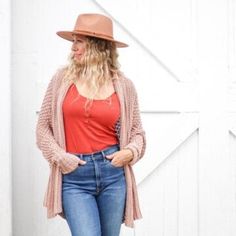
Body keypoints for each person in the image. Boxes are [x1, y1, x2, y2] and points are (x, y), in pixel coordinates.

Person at [35, 13, 146, 236]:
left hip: (112, 175)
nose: (72, 48)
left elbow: (137, 133)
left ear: (98, 47)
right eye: (73, 41)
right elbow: (42, 128)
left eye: (79, 42)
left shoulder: (124, 86)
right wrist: (60, 157)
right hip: (74, 177)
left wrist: (129, 152)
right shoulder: (61, 80)